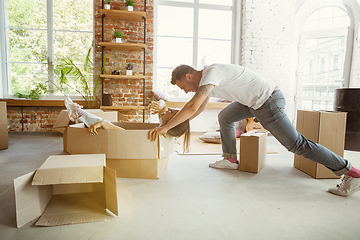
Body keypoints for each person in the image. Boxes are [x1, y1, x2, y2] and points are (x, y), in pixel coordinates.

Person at [148, 63, 360, 197]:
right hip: (254, 102)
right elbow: (197, 110)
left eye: (183, 87)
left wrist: (166, 126)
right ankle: (230, 159)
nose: (186, 91)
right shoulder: (209, 81)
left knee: (296, 144)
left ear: (189, 76)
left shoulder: (211, 73)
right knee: (225, 116)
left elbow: (193, 105)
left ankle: (349, 171)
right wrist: (172, 125)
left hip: (268, 101)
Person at [64, 97, 190, 151]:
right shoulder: (163, 124)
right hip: (122, 138)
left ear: (172, 122)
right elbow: (163, 105)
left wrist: (104, 124)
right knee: (104, 123)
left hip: (124, 143)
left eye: (171, 111)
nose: (168, 110)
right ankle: (79, 113)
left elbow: (127, 136)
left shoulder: (159, 132)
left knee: (105, 123)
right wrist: (161, 105)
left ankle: (79, 113)